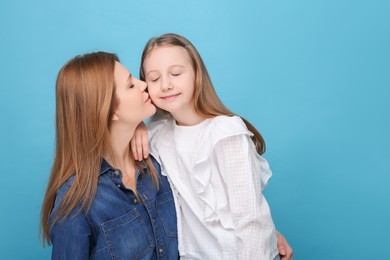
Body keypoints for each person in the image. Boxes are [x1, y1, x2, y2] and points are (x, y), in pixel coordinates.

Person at [131, 33, 293, 259]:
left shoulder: (225, 132)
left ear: (197, 74)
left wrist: (267, 237)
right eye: (154, 79)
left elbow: (250, 217)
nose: (166, 85)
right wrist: (137, 124)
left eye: (176, 73)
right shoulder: (158, 132)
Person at [40, 52, 178, 259]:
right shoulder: (77, 204)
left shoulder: (157, 162)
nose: (143, 85)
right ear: (107, 110)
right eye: (131, 85)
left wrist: (138, 124)